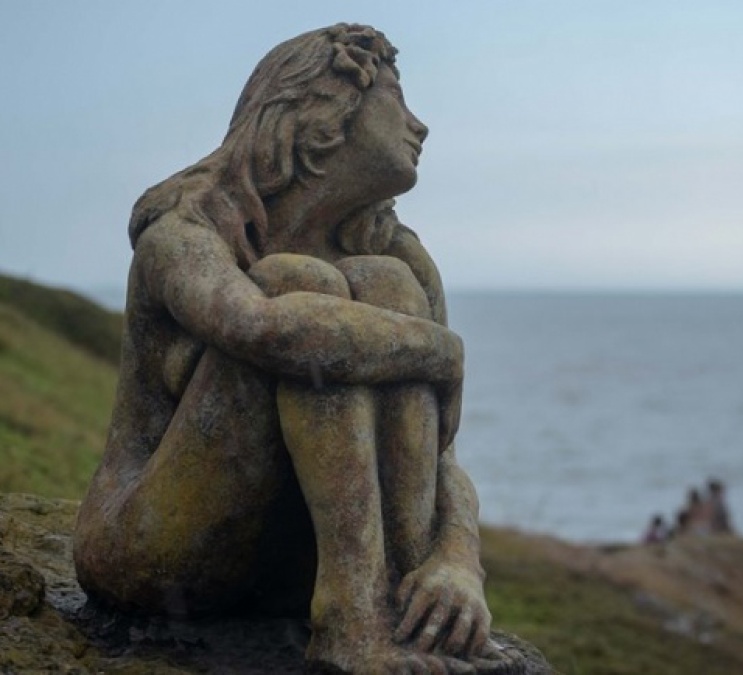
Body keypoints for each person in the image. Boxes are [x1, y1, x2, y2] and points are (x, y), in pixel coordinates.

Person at [74, 24, 498, 673]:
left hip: (288, 571)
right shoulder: (185, 231)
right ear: (323, 107)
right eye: (395, 99)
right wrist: (444, 352)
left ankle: (405, 609)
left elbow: (441, 462)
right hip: (156, 553)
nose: (419, 125)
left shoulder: (398, 258)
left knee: (383, 285)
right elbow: (267, 329)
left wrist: (457, 563)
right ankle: (349, 622)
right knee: (293, 285)